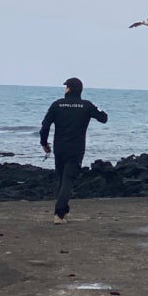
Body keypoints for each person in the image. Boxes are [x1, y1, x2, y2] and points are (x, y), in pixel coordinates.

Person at [40, 77, 108, 224]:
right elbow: (104, 118)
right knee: (68, 180)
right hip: (76, 148)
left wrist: (44, 143)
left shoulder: (57, 104)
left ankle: (63, 211)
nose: (65, 89)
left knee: (62, 178)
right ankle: (59, 214)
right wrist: (98, 108)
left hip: (59, 147)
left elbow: (45, 126)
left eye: (66, 87)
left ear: (69, 89)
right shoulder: (86, 105)